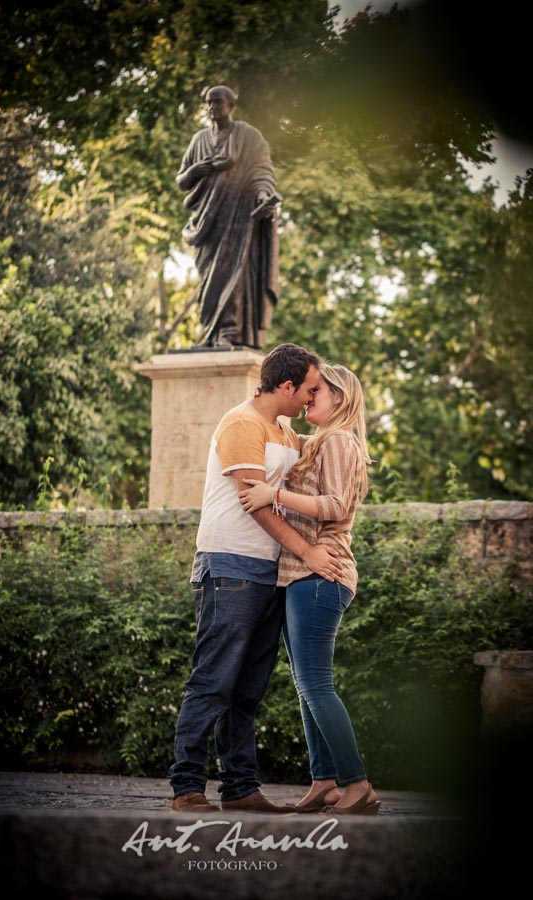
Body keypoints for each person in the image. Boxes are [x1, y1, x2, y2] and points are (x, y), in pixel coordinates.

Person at [169, 344, 343, 813]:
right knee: (213, 681)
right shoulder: (242, 424)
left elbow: (329, 447)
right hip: (230, 566)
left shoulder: (283, 431)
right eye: (308, 389)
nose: (311, 398)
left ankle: (239, 788)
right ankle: (186, 787)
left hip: (271, 574)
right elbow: (256, 502)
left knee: (247, 689)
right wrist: (308, 550)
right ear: (286, 387)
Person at [239, 364, 381, 815]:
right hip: (301, 576)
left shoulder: (339, 440)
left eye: (315, 390)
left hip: (321, 575)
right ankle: (324, 782)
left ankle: (357, 785)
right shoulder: (317, 441)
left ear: (338, 397)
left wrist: (272, 496)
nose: (307, 396)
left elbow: (336, 505)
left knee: (317, 684)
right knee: (307, 686)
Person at [176, 85, 280, 350]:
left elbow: (262, 172)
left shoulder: (249, 136)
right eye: (209, 103)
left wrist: (262, 196)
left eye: (218, 102)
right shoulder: (199, 140)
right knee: (210, 278)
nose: (213, 108)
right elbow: (182, 181)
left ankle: (228, 333)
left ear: (231, 104)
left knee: (233, 274)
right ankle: (211, 333)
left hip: (238, 220)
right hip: (206, 224)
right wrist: (196, 170)